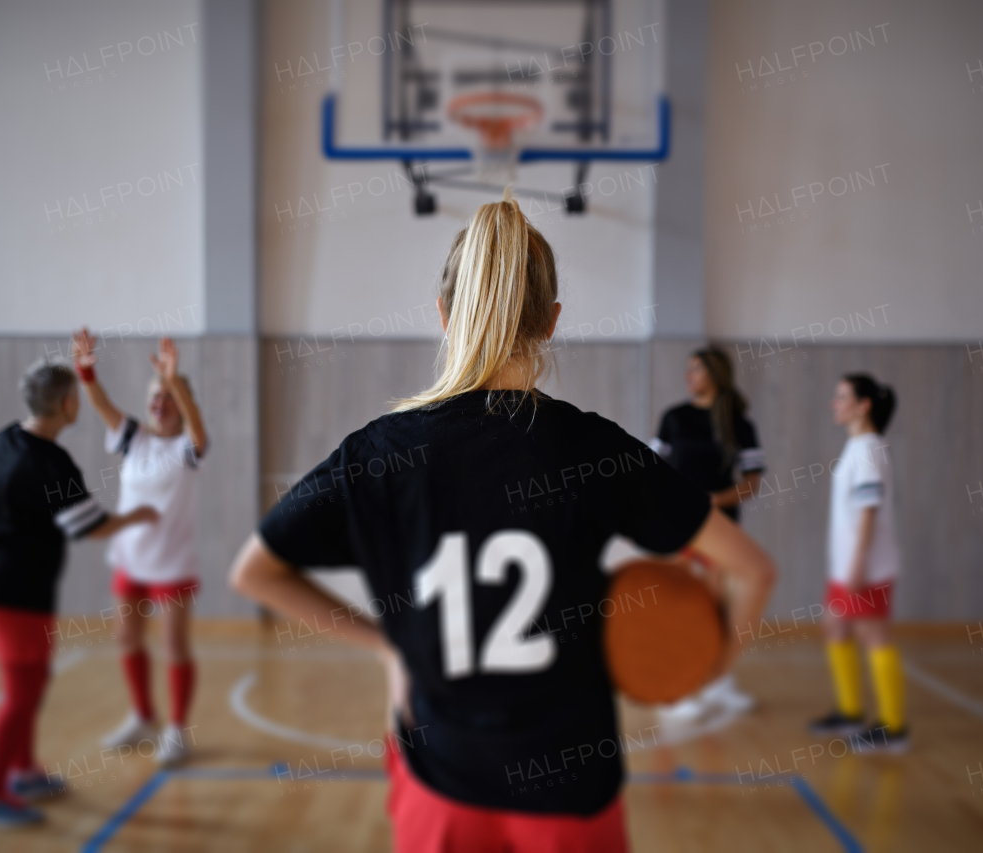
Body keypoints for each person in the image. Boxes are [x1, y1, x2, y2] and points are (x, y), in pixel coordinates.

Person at [229, 195, 776, 852]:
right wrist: (706, 664)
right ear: (550, 321)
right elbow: (752, 569)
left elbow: (254, 571)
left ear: (443, 315)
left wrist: (386, 646)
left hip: (440, 784)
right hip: (570, 788)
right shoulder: (595, 449)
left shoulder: (379, 453)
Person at [0, 359, 158, 828]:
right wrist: (138, 516)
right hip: (13, 595)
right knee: (19, 695)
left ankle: (24, 771)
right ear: (68, 403)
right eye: (77, 397)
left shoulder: (3, 439)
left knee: (32, 684)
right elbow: (90, 527)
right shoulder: (51, 462)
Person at [71, 330, 207, 768]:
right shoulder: (133, 438)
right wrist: (86, 371)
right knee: (127, 638)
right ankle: (143, 717)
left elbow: (198, 428)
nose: (158, 402)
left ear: (180, 404)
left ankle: (176, 730)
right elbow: (101, 404)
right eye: (154, 395)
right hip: (129, 561)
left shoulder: (188, 447)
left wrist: (175, 382)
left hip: (171, 565)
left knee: (174, 646)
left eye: (167, 396)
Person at [649, 345, 766, 721]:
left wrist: (714, 500)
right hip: (680, 525)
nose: (689, 376)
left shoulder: (739, 423)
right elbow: (653, 471)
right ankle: (677, 685)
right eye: (688, 370)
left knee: (718, 605)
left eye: (696, 370)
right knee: (684, 604)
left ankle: (717, 680)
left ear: (715, 374)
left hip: (723, 528)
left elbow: (751, 482)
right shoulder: (674, 418)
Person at [809, 373, 908, 753]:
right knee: (834, 627)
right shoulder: (858, 447)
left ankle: (894, 728)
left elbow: (868, 512)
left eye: (842, 397)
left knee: (874, 636)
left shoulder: (868, 449)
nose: (834, 403)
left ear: (863, 406)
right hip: (847, 565)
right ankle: (850, 712)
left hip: (866, 567)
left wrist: (856, 566)